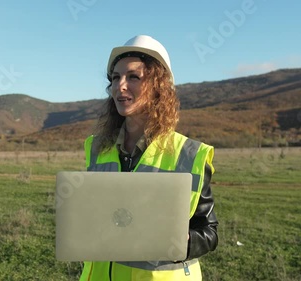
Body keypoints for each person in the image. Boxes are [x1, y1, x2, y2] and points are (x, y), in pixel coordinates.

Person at [80, 35, 219, 280]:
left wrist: (184, 243)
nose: (120, 85)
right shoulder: (98, 148)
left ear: (158, 86)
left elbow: (208, 231)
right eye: (115, 77)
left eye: (133, 77)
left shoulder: (189, 155)